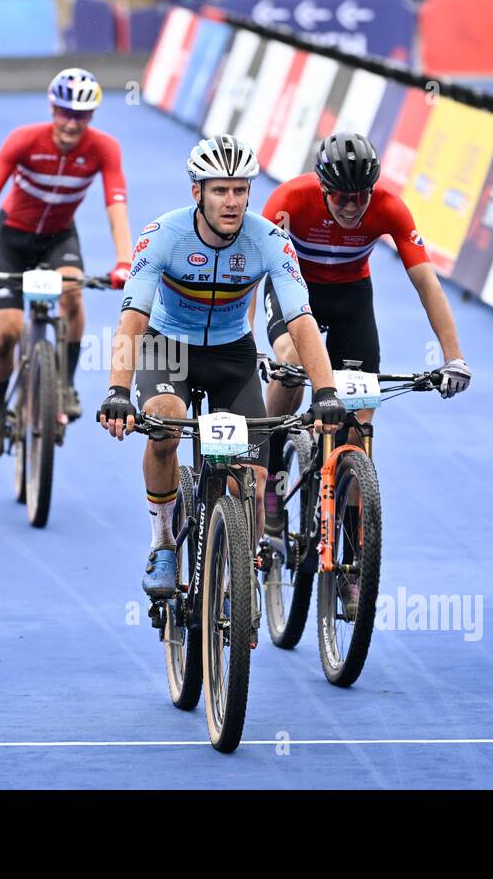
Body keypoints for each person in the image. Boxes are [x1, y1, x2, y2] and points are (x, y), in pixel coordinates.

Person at [97, 135, 347, 600]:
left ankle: (239, 576)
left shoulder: (269, 239)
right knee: (167, 422)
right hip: (168, 344)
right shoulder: (162, 235)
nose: (231, 201)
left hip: (233, 352)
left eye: (239, 190)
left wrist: (326, 390)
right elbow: (132, 317)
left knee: (251, 479)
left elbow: (302, 319)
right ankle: (164, 543)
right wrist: (117, 390)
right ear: (198, 192)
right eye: (219, 190)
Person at [256, 133, 470, 526]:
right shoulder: (290, 199)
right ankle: (269, 464)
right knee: (290, 360)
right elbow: (252, 270)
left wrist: (453, 357)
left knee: (359, 424)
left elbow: (427, 284)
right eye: (341, 197)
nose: (353, 208)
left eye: (361, 196)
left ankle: (353, 549)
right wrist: (246, 342)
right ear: (323, 189)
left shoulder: (390, 208)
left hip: (351, 297)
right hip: (294, 288)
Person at [0, 69, 133, 456]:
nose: (71, 122)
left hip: (58, 239)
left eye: (81, 115)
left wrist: (123, 260)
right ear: (53, 108)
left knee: (74, 295)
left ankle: (63, 384)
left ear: (92, 116)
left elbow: (116, 204)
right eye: (65, 111)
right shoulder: (24, 140)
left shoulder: (104, 148)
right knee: (8, 334)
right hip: (12, 239)